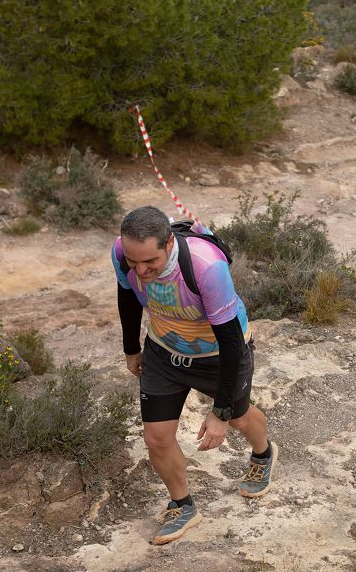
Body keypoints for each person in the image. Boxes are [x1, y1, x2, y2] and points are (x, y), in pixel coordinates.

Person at [114, 207, 276, 545]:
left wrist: (220, 412)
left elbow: (230, 341)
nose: (141, 270)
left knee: (239, 418)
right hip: (163, 350)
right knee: (156, 437)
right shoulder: (122, 253)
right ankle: (182, 505)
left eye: (150, 262)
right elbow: (127, 295)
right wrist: (132, 348)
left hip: (219, 355)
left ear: (169, 243)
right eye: (134, 261)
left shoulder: (206, 267)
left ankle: (263, 453)